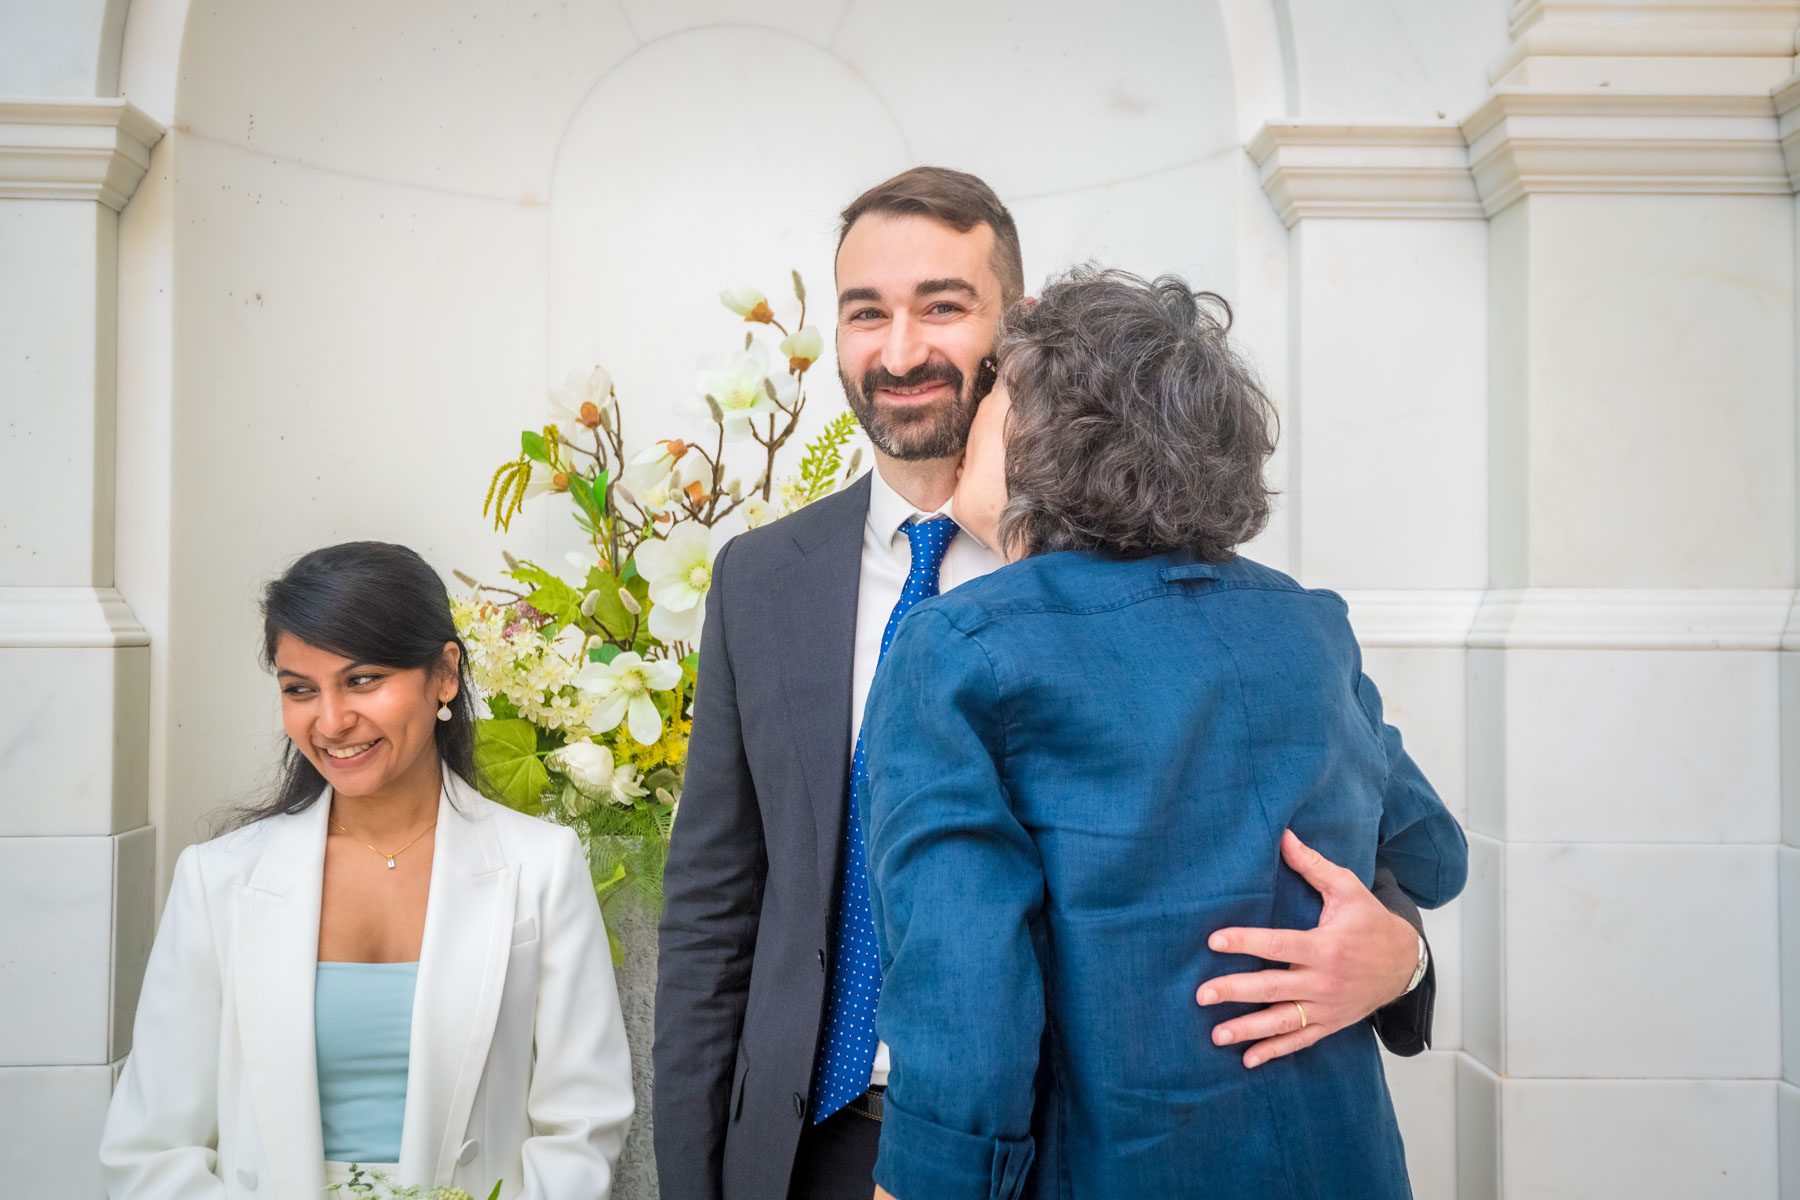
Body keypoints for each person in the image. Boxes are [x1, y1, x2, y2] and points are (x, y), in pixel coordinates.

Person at [654, 167, 1441, 1200]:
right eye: (865, 314)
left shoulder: (1161, 585)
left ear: (1015, 334)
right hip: (818, 1137)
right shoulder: (760, 579)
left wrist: (1405, 957)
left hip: (1057, 1145)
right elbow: (714, 903)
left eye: (941, 306)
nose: (900, 351)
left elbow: (1346, 838)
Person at [860, 268, 1468, 1199]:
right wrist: (1400, 949)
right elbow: (1435, 856)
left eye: (993, 395)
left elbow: (966, 1002)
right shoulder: (1307, 625)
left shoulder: (960, 647)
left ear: (1030, 428)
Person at [100, 541, 633, 1200]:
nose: (331, 720)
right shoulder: (220, 880)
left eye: (361, 680)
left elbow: (582, 1124)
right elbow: (151, 1148)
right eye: (300, 690)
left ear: (444, 673)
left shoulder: (542, 868)